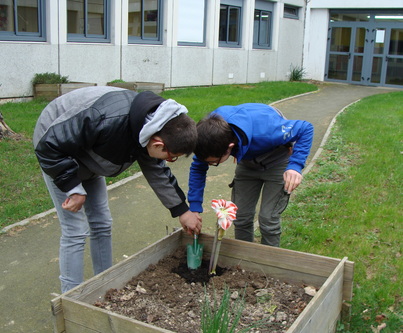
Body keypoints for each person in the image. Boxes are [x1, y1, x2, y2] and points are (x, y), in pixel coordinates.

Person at [33, 86, 201, 293]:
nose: (169, 161)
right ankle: (71, 297)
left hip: (88, 155)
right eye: (171, 156)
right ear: (158, 144)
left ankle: (105, 285)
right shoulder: (104, 118)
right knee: (75, 230)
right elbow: (49, 146)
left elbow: (157, 171)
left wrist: (182, 211)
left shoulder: (151, 126)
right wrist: (73, 188)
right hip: (57, 150)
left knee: (102, 223)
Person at [188, 103, 314, 247]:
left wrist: (295, 166)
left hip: (277, 161)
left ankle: (268, 263)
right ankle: (244, 262)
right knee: (240, 216)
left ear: (229, 147)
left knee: (268, 219)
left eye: (214, 162)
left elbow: (305, 128)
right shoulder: (208, 136)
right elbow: (198, 168)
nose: (209, 164)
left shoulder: (267, 131)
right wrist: (194, 207)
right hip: (248, 163)